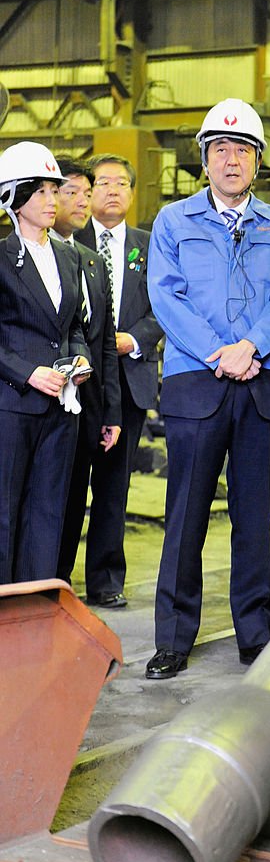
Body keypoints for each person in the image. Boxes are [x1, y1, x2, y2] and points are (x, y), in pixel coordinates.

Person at [145, 98, 270, 679]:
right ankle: (173, 639)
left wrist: (252, 348)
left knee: (254, 517)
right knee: (185, 514)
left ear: (257, 162)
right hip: (197, 381)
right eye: (220, 150)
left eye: (242, 150)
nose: (231, 159)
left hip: (259, 384)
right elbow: (166, 296)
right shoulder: (172, 222)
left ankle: (255, 637)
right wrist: (221, 351)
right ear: (205, 161)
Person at [0, 142, 91, 583]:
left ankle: (37, 608)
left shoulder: (70, 256)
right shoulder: (0, 258)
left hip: (61, 409)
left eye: (56, 190)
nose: (53, 200)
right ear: (13, 199)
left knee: (48, 513)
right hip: (13, 407)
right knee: (5, 512)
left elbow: (73, 324)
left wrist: (81, 359)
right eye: (41, 192)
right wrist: (27, 372)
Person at [74, 153, 163, 607]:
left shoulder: (151, 245)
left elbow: (164, 306)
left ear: (131, 192)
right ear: (89, 193)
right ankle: (53, 578)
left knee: (113, 488)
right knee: (66, 484)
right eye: (102, 182)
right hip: (75, 384)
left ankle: (106, 581)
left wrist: (135, 339)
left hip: (128, 383)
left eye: (120, 183)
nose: (111, 190)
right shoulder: (68, 238)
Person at [50, 157, 122, 587]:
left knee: (77, 498)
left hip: (86, 404)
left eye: (86, 192)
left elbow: (106, 342)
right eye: (70, 191)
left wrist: (109, 411)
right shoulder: (24, 257)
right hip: (41, 399)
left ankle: (60, 582)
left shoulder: (93, 262)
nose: (83, 200)